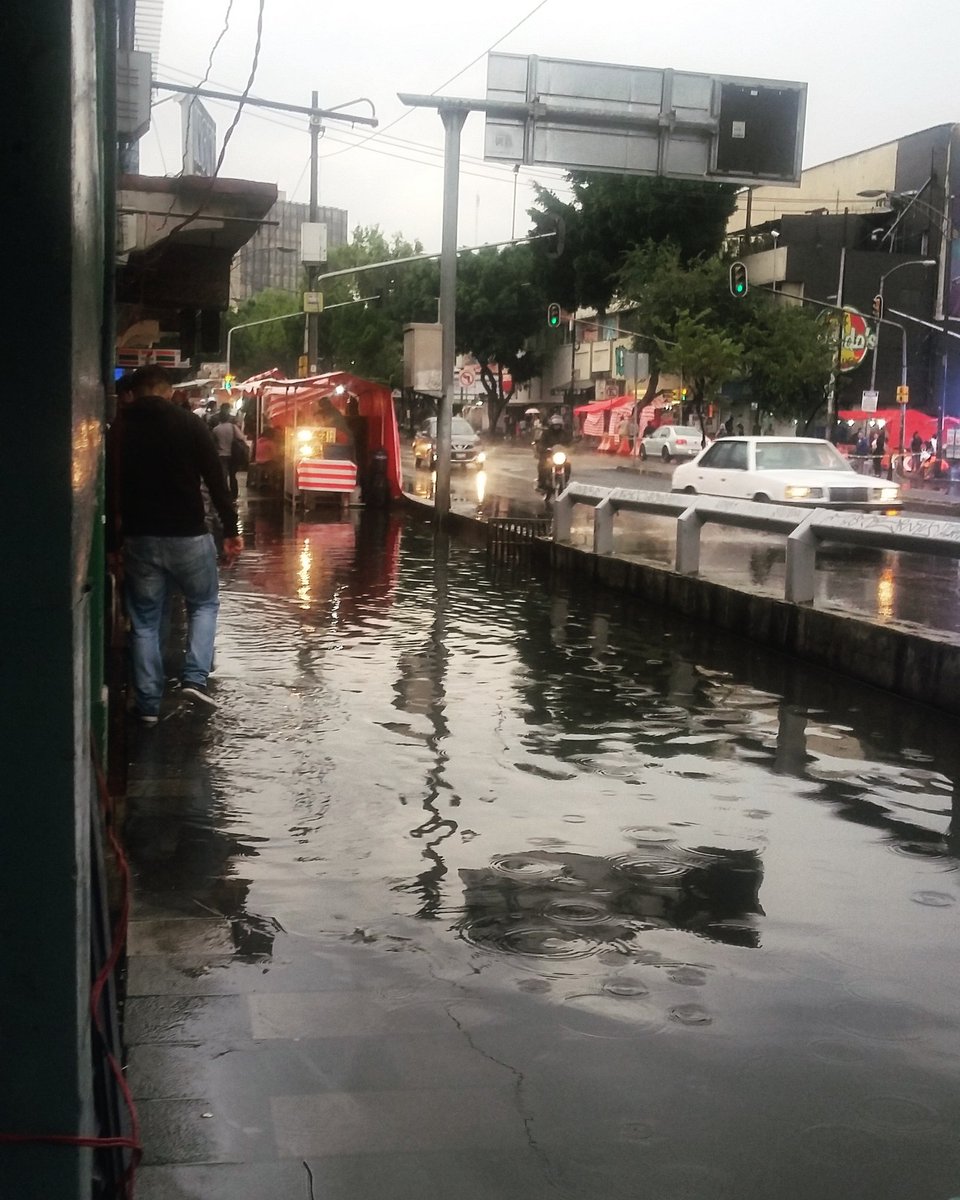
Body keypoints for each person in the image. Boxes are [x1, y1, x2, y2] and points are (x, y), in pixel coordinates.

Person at [107, 364, 242, 724]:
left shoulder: (119, 429)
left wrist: (111, 544)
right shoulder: (190, 424)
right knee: (204, 604)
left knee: (146, 621)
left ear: (136, 392)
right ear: (167, 390)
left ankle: (148, 705)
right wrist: (231, 531)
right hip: (188, 536)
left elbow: (108, 488)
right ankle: (194, 677)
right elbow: (218, 483)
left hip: (140, 539)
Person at [210, 403, 246, 498]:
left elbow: (213, 442)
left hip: (221, 455)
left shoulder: (216, 429)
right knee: (233, 475)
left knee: (224, 475)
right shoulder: (233, 427)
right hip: (233, 455)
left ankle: (225, 492)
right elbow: (241, 438)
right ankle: (234, 493)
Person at [535, 413, 568, 491]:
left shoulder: (564, 433)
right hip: (548, 454)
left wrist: (571, 448)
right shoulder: (546, 433)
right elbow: (541, 443)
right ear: (552, 425)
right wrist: (543, 448)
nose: (557, 426)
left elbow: (569, 442)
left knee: (568, 464)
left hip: (560, 454)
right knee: (543, 464)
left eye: (558, 425)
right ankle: (541, 483)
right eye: (555, 425)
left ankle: (565, 480)